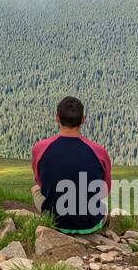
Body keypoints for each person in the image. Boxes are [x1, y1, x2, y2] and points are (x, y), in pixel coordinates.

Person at [31, 96, 112, 233]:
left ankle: (46, 221)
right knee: (103, 205)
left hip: (56, 222)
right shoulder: (99, 151)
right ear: (82, 120)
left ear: (57, 118)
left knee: (35, 189)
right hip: (90, 224)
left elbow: (40, 182)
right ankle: (103, 227)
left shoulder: (40, 148)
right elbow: (105, 190)